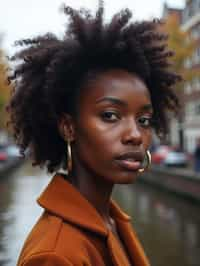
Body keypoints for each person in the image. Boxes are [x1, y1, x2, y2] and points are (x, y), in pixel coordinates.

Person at [7, 1, 181, 265]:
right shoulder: (54, 255)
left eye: (144, 119)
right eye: (110, 115)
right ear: (69, 127)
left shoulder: (110, 219)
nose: (135, 134)